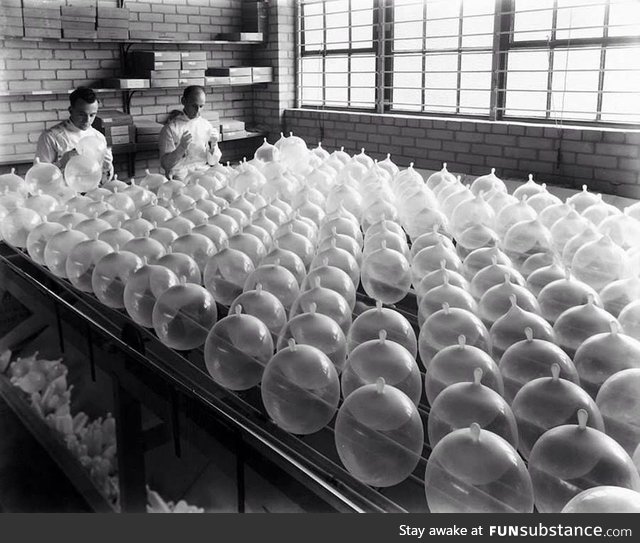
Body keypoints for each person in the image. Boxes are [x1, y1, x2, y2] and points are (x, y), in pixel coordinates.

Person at [35, 87, 114, 182]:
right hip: (62, 194)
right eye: (82, 114)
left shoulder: (98, 137)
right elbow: (39, 178)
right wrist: (61, 163)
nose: (87, 120)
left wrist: (107, 168)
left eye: (92, 115)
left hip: (91, 193)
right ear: (71, 110)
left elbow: (103, 181)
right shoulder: (51, 137)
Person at [158, 85, 221, 181]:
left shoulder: (206, 125)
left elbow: (212, 162)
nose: (198, 111)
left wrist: (213, 145)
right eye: (194, 106)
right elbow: (166, 164)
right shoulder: (170, 129)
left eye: (201, 106)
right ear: (183, 101)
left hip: (203, 173)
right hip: (181, 177)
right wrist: (181, 148)